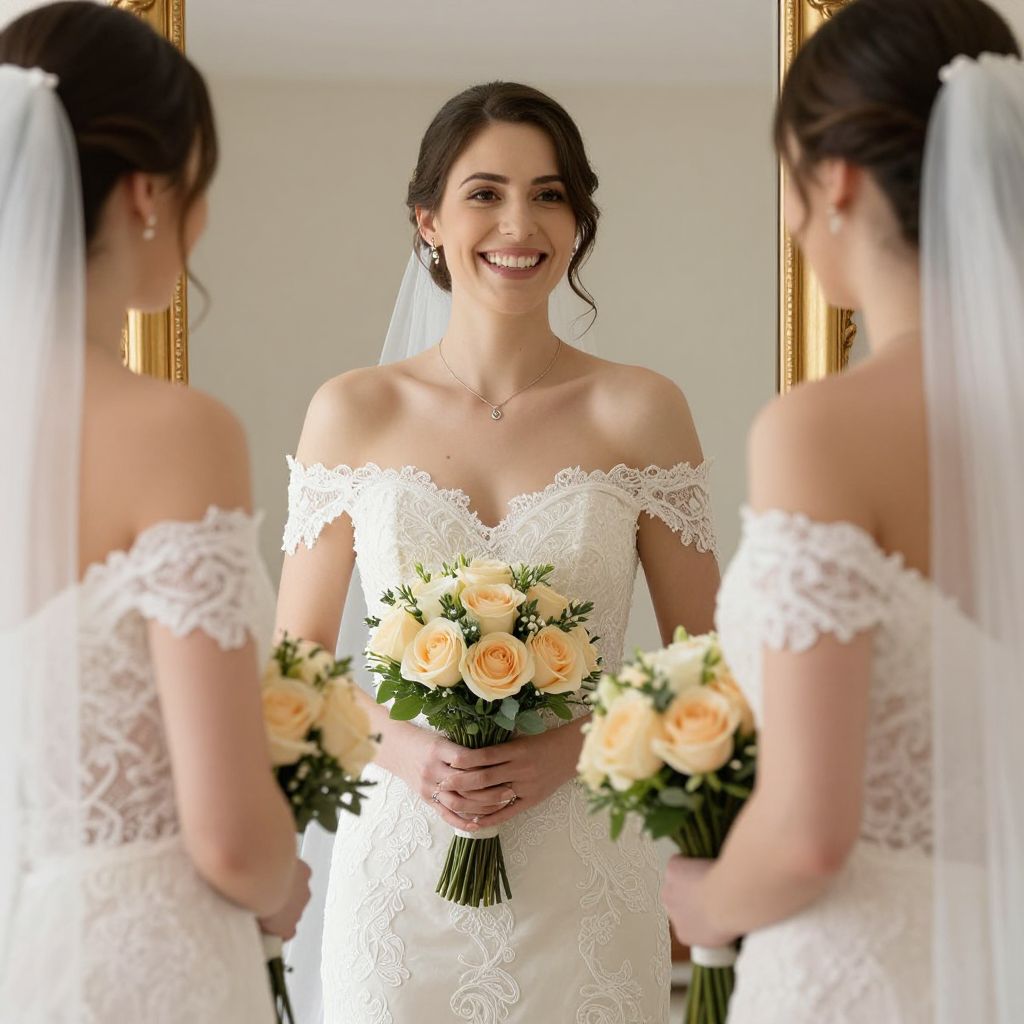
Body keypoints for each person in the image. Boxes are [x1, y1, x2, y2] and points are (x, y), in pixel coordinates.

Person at [277, 81, 720, 1022]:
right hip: (401, 870)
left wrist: (574, 746)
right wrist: (403, 749)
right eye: (484, 193)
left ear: (578, 221)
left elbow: (705, 662)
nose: (519, 222)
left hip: (584, 867)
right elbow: (297, 664)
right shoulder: (351, 411)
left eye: (549, 193)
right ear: (428, 219)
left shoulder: (640, 409)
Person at [661, 1, 1024, 1021]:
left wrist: (705, 902)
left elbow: (807, 837)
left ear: (836, 181)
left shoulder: (819, 430)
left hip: (866, 974)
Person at [0, 4, 309, 1020]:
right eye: (197, 186)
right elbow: (228, 834)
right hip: (148, 956)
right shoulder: (176, 430)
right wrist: (282, 887)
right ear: (146, 193)